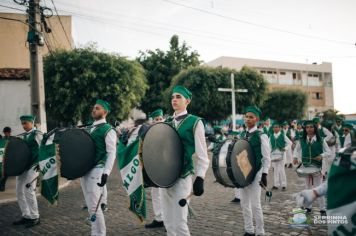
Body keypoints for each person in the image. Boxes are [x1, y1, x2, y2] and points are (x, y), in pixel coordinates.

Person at [160, 85, 209, 236]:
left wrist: (200, 177)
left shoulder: (195, 122)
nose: (174, 99)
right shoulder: (166, 122)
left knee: (180, 222)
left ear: (187, 101)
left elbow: (203, 155)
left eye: (178, 97)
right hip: (164, 176)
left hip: (183, 175)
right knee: (167, 220)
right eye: (173, 97)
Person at [80, 99, 117, 236]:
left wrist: (106, 172)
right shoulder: (89, 128)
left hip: (97, 169)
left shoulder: (108, 129)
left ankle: (100, 234)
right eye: (94, 108)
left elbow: (111, 152)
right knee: (91, 207)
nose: (94, 110)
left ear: (105, 112)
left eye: (98, 108)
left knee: (95, 207)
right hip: (85, 170)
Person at [239, 106, 271, 236]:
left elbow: (267, 157)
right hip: (243, 172)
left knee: (255, 204)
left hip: (257, 172)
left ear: (256, 119)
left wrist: (264, 174)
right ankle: (249, 230)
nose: (248, 119)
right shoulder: (242, 134)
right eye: (246, 116)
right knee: (244, 203)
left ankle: (260, 231)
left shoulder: (261, 135)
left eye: (251, 117)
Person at [293, 120, 331, 216]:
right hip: (306, 167)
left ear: (315, 128)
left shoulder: (321, 140)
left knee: (318, 187)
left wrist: (321, 155)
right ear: (305, 129)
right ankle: (308, 207)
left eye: (311, 127)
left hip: (317, 167)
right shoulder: (302, 140)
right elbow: (296, 150)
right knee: (307, 187)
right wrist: (295, 158)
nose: (309, 129)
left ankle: (322, 208)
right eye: (307, 127)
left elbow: (328, 152)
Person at [13, 115, 42, 228]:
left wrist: (40, 164)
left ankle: (35, 216)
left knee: (28, 189)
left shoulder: (37, 134)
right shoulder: (24, 136)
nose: (23, 125)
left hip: (34, 166)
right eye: (22, 123)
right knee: (19, 190)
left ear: (31, 122)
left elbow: (44, 148)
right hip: (23, 167)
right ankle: (26, 215)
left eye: (25, 123)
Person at [145, 108, 165, 229]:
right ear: (153, 121)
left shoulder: (167, 130)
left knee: (164, 194)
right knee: (155, 193)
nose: (158, 121)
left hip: (165, 167)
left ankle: (167, 219)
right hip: (154, 167)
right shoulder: (150, 131)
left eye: (160, 119)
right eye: (156, 119)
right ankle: (159, 218)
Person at [270, 121, 292, 191]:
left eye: (277, 127)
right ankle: (276, 185)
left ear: (279, 128)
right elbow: (268, 146)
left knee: (281, 169)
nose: (275, 129)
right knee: (275, 169)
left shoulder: (283, 135)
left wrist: (285, 148)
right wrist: (270, 152)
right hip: (273, 155)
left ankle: (284, 185)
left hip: (282, 155)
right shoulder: (271, 136)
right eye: (274, 127)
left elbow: (290, 143)